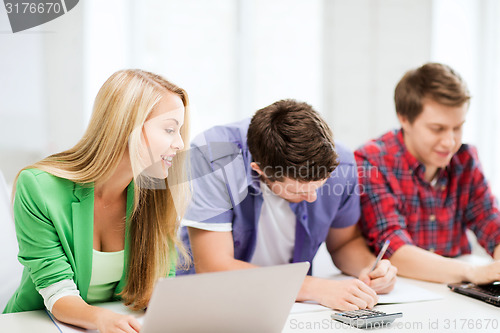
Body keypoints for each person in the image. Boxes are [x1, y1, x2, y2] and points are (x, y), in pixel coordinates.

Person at [3, 69, 191, 333]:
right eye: (170, 129)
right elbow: (57, 290)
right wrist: (101, 320)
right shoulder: (38, 186)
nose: (180, 144)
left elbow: (160, 288)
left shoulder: (157, 194)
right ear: (127, 126)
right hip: (38, 325)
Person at [179, 99, 397, 311]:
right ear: (260, 170)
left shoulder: (343, 164)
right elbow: (213, 268)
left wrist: (370, 268)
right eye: (298, 190)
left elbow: (344, 243)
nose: (313, 197)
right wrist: (316, 288)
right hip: (216, 305)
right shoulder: (212, 156)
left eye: (319, 186)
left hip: (293, 308)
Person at [355, 63, 500, 284]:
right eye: (437, 129)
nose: (450, 142)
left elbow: (490, 221)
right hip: (400, 288)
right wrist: (471, 272)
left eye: (458, 127)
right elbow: (393, 247)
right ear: (404, 118)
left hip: (454, 290)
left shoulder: (465, 158)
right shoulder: (371, 161)